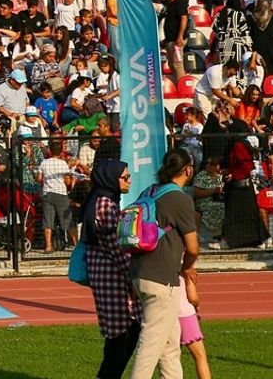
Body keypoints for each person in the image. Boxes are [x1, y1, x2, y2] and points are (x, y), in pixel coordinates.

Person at [130, 149, 200, 379]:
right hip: (162, 279)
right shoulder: (181, 199)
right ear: (188, 170)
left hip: (140, 272)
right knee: (150, 345)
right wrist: (187, 268)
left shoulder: (149, 192)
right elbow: (192, 248)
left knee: (170, 345)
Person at [83, 159, 141, 379]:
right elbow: (118, 249)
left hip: (107, 277)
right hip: (113, 280)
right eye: (125, 177)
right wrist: (134, 278)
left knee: (123, 334)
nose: (129, 181)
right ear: (111, 179)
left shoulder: (100, 200)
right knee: (121, 336)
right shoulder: (106, 206)